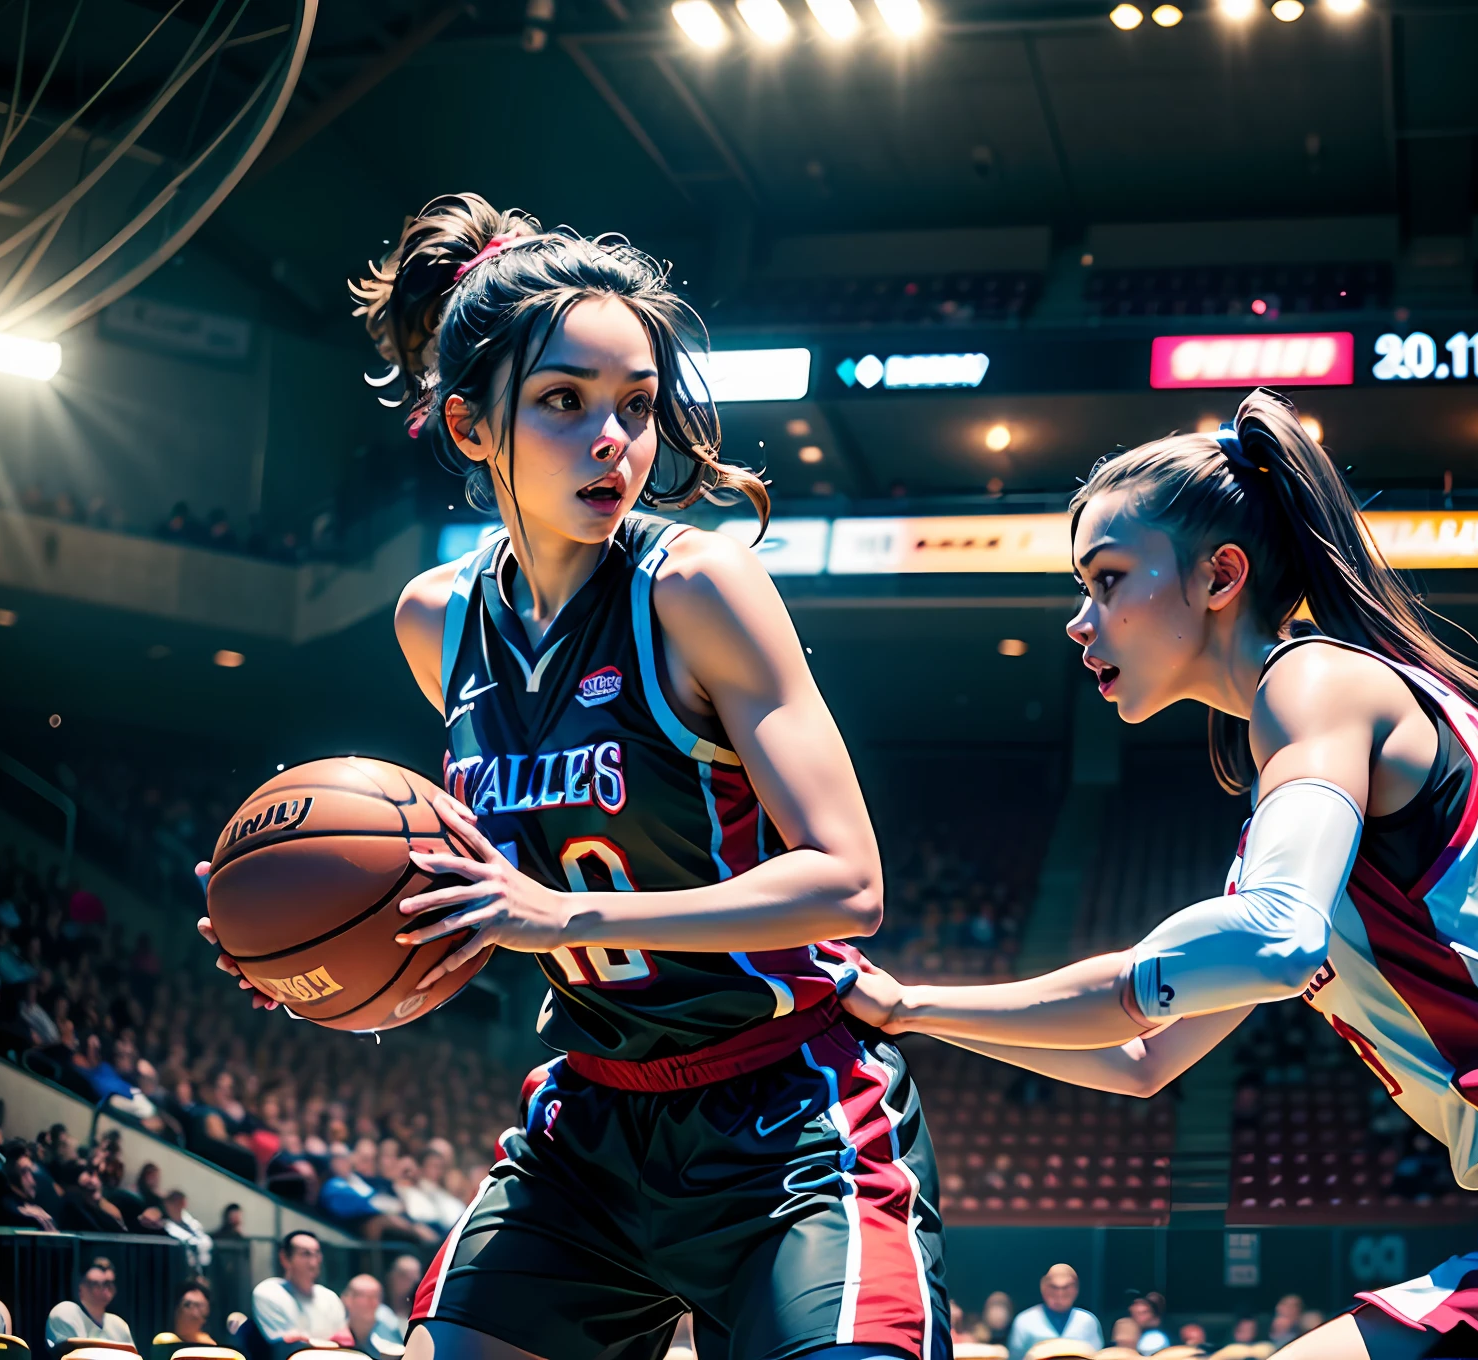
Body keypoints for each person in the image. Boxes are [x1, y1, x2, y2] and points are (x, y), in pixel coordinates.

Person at [841, 388, 1478, 1360]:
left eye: (1105, 578)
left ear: (1218, 575)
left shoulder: (1312, 677)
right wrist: (916, 1007)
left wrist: (1118, 973)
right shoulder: (1335, 745)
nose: (1079, 618)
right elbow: (1143, 1058)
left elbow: (1274, 934)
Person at [196, 193, 943, 1360]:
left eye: (636, 407)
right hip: (588, 1127)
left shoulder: (696, 587)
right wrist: (299, 933)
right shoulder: (433, 622)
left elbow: (848, 882)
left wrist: (559, 914)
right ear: (468, 427)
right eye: (563, 402)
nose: (614, 440)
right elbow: (473, 875)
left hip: (788, 1111)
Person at [252, 1231, 352, 1348]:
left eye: (317, 1253)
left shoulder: (330, 1297)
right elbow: (284, 1347)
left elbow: (344, 1341)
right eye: (306, 1254)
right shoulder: (269, 1292)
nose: (314, 1262)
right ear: (284, 1258)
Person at [1007, 1265, 1102, 1360]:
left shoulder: (1087, 1321)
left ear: (1076, 1289)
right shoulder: (1024, 1321)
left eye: (1066, 1287)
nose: (1059, 1293)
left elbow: (1096, 1355)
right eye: (1053, 1287)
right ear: (1043, 1287)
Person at [48, 1256, 135, 1353]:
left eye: (109, 1283)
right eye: (95, 1284)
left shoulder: (119, 1325)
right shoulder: (66, 1312)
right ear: (79, 1286)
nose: (105, 1288)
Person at [377, 1256, 421, 1348]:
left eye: (414, 1278)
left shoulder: (421, 1315)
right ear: (391, 1276)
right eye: (403, 1275)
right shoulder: (375, 1309)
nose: (410, 1282)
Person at [344, 1275, 388, 1355]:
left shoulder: (389, 1333)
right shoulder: (333, 1336)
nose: (374, 1303)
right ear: (347, 1299)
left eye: (377, 1297)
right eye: (367, 1297)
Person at [173, 1280, 217, 1345]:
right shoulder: (166, 1341)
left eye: (201, 1306)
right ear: (176, 1310)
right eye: (187, 1305)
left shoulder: (208, 1345)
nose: (194, 1313)